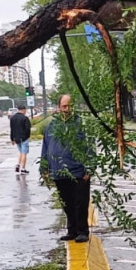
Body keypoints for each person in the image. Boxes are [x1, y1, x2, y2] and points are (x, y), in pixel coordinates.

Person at [40, 94, 91, 242]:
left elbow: (89, 146)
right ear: (59, 107)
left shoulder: (80, 123)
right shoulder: (52, 125)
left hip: (78, 171)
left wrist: (89, 168)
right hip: (59, 172)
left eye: (70, 106)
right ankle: (72, 230)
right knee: (66, 203)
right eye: (64, 106)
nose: (67, 109)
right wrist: (44, 168)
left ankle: (82, 231)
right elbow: (46, 146)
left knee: (80, 202)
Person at [9, 105, 32, 174]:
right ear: (24, 110)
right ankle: (23, 168)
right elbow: (28, 129)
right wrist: (28, 136)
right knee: (24, 153)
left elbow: (12, 129)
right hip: (24, 138)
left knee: (21, 152)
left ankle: (18, 164)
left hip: (16, 138)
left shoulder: (12, 118)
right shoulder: (25, 118)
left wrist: (12, 139)